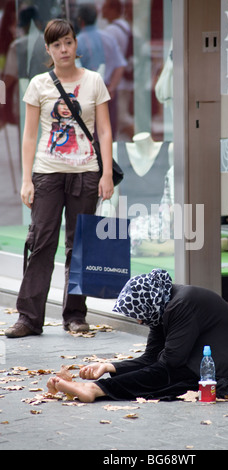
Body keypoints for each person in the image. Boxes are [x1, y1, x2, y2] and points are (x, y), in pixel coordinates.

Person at [5, 18, 114, 338]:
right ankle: (28, 318)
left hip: (86, 173)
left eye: (68, 42)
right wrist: (27, 180)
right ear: (48, 49)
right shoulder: (38, 84)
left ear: (76, 44)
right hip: (47, 173)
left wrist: (106, 173)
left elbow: (105, 130)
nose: (63, 49)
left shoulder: (94, 81)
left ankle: (75, 314)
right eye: (56, 45)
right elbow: (29, 136)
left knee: (79, 247)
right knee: (41, 244)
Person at [47, 269, 228, 403]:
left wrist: (106, 382)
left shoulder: (182, 304)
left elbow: (169, 363)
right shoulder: (159, 307)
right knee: (165, 375)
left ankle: (96, 390)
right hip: (206, 360)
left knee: (171, 377)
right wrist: (109, 366)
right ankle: (99, 388)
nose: (138, 320)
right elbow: (150, 358)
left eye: (138, 314)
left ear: (148, 303)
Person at [76, 3, 126, 138]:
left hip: (87, 95)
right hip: (107, 92)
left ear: (80, 20)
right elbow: (120, 65)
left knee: (90, 138)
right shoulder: (108, 38)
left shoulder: (77, 42)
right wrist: (112, 87)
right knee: (109, 135)